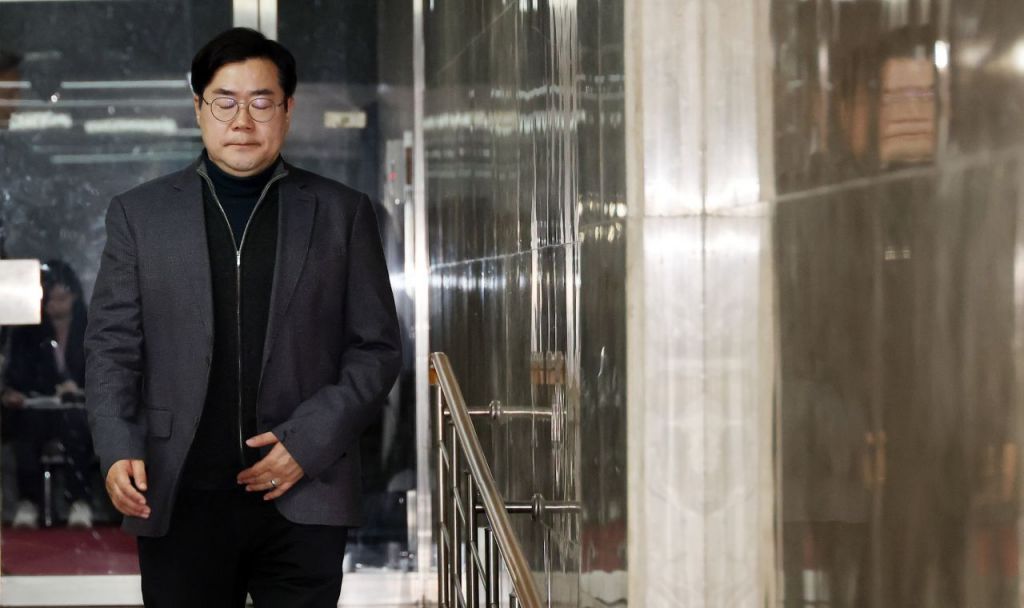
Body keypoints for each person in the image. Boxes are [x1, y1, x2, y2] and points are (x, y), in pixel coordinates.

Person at [84, 28, 401, 607]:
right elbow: (111, 346)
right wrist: (116, 444)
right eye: (224, 102)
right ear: (198, 108)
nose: (242, 121)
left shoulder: (342, 213)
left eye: (261, 102)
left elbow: (376, 349)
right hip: (178, 490)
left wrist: (308, 442)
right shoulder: (140, 215)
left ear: (288, 110)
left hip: (305, 489)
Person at [2, 260, 96, 528]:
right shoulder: (28, 331)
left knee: (76, 426)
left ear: (74, 296)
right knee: (27, 428)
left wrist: (77, 389)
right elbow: (18, 375)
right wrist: (18, 393)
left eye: (61, 298)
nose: (55, 305)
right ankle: (28, 502)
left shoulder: (90, 328)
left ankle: (80, 502)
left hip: (79, 408)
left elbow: (101, 372)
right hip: (38, 407)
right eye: (50, 299)